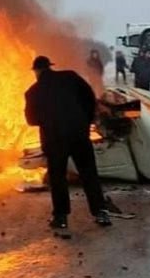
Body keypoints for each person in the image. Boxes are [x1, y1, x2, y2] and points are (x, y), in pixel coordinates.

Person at [24, 56, 111, 229]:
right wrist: (86, 121)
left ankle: (61, 218)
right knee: (89, 174)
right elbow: (89, 98)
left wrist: (48, 120)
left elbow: (31, 120)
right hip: (79, 135)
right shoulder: (71, 77)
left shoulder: (33, 91)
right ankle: (101, 213)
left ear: (37, 71)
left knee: (58, 178)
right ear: (50, 67)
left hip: (54, 140)